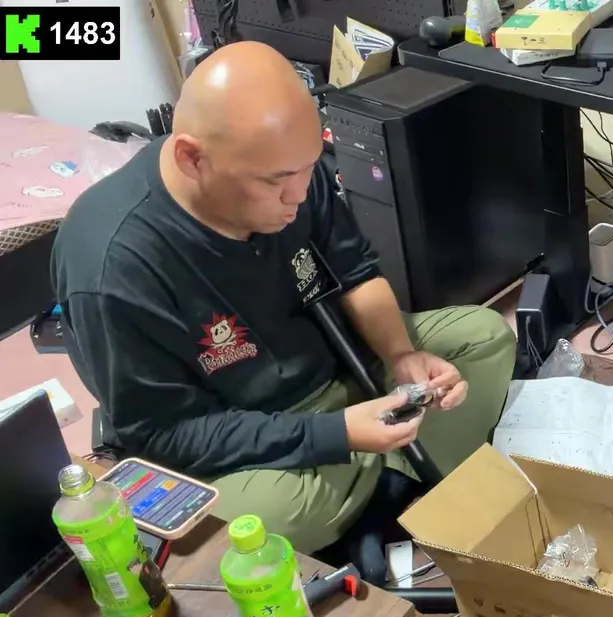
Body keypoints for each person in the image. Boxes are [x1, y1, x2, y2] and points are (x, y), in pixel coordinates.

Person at [51, 42, 516, 555]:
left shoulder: (289, 166)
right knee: (263, 521)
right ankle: (396, 473)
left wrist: (400, 355)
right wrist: (335, 435)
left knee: (483, 337)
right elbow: (164, 435)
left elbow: (356, 271)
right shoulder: (113, 264)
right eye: (275, 182)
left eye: (308, 168)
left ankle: (378, 483)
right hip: (243, 430)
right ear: (192, 159)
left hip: (342, 364)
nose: (298, 195)